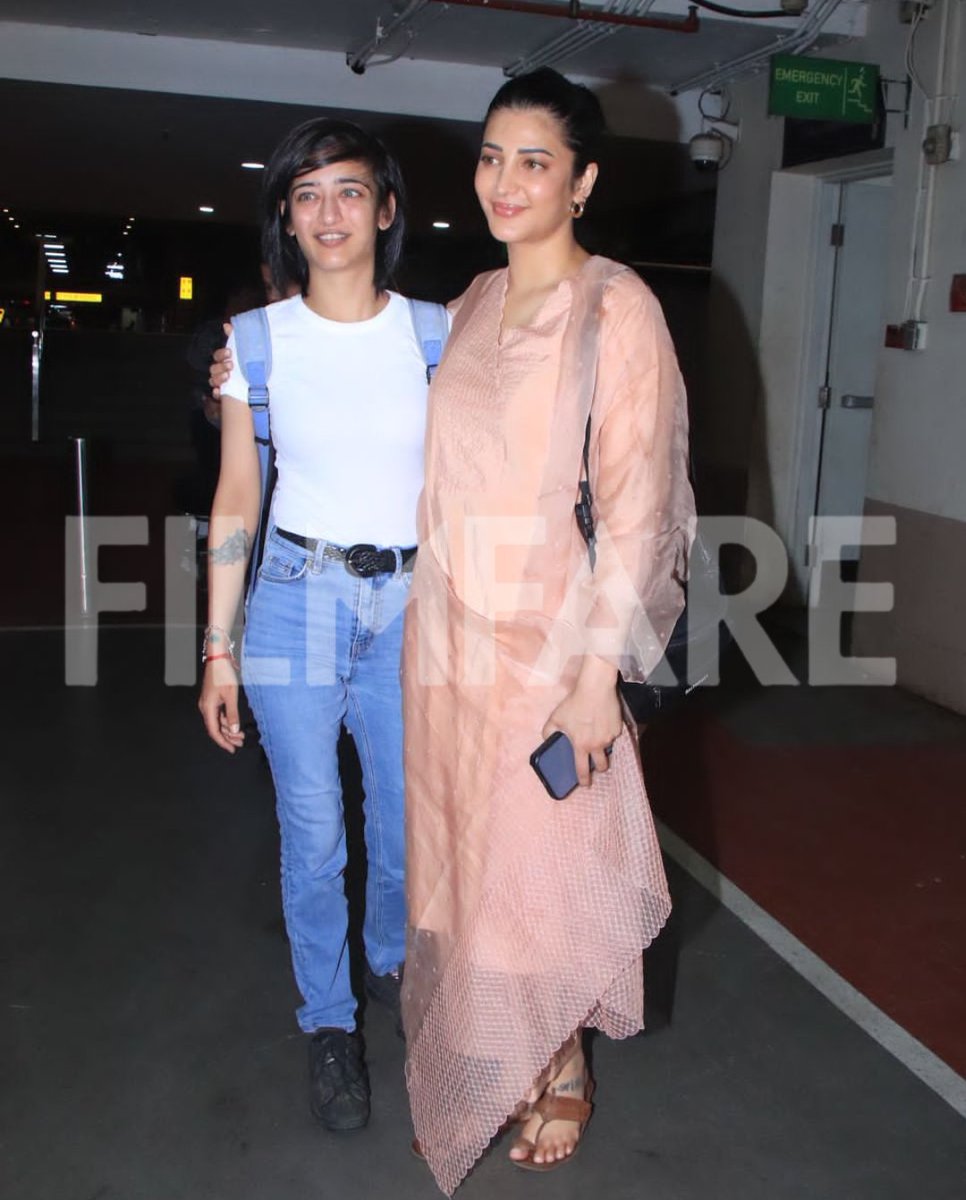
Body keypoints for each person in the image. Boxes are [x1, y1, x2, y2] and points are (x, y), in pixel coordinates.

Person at [400, 68, 694, 1193]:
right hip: (446, 640)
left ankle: (557, 1052)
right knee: (465, 856)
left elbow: (637, 507)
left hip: (548, 644)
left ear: (583, 181)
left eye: (535, 160)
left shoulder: (616, 307)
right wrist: (251, 371)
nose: (505, 181)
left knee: (542, 861)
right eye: (491, 156)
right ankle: (495, 1041)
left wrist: (594, 678)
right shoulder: (470, 301)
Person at [198, 117, 442, 1133]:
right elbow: (236, 500)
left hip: (412, 606)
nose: (329, 211)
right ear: (286, 220)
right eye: (307, 194)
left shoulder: (439, 333)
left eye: (350, 191)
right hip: (296, 595)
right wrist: (216, 647)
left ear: (386, 210)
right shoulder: (255, 344)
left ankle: (388, 961)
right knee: (314, 832)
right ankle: (330, 1024)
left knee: (402, 824)